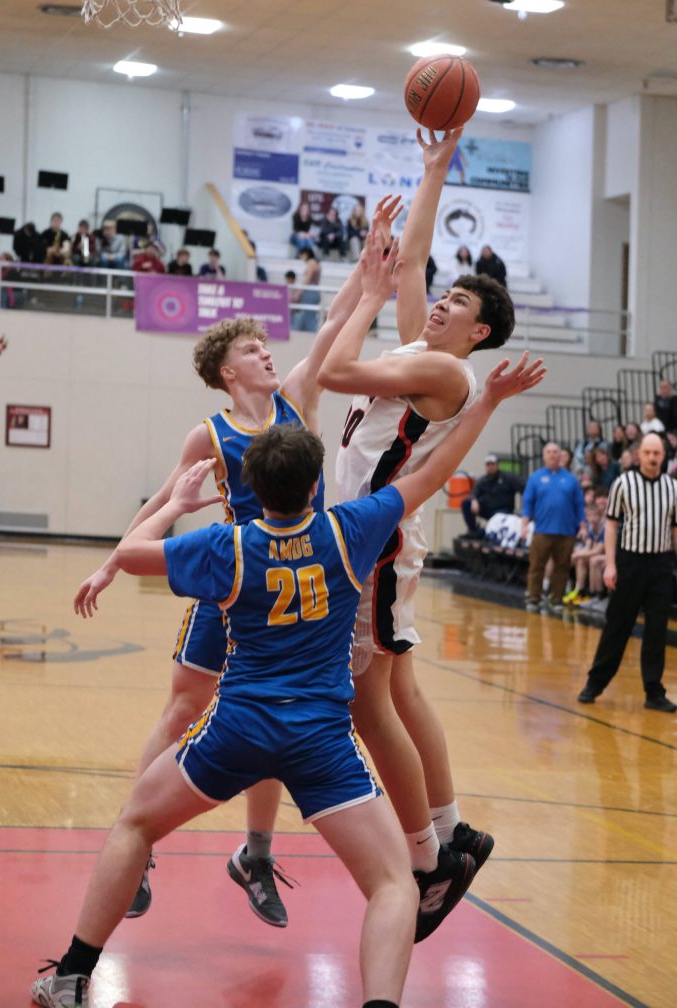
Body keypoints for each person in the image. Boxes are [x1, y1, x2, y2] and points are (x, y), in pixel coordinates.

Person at [30, 297, 544, 1008]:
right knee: (396, 884)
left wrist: (176, 504)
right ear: (315, 484)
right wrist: (484, 400)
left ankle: (73, 974)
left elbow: (129, 551)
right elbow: (432, 470)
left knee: (137, 821)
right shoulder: (351, 530)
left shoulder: (226, 546)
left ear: (246, 486)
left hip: (236, 730)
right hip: (321, 743)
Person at [72, 196, 402, 926]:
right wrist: (108, 566)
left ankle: (254, 852)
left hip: (307, 579)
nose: (267, 352)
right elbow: (165, 500)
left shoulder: (297, 398)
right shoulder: (209, 434)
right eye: (253, 348)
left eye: (265, 346)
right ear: (227, 369)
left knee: (280, 715)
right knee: (184, 707)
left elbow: (331, 329)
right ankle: (139, 843)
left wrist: (366, 270)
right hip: (236, 580)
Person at [319, 128, 545, 939]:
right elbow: (414, 261)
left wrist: (367, 297)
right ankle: (452, 833)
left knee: (366, 702)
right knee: (396, 693)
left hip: (374, 547)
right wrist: (435, 166)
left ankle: (428, 863)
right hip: (373, 540)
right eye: (444, 297)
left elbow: (337, 373)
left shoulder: (446, 371)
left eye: (460, 305)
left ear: (478, 333)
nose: (442, 300)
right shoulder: (430, 349)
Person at [578, 433, 677, 712]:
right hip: (630, 561)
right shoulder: (623, 483)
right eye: (647, 452)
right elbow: (610, 525)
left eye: (657, 453)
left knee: (657, 629)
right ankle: (595, 683)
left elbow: (675, 529)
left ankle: (654, 691)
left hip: (660, 564)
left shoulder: (673, 487)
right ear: (639, 455)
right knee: (617, 625)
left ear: (663, 456)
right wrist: (610, 564)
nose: (652, 458)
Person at [521, 442, 586, 614]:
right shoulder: (535, 478)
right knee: (536, 565)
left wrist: (583, 525)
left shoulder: (571, 479)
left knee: (562, 567)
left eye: (555, 452)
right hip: (542, 530)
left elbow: (579, 505)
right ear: (544, 456)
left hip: (566, 531)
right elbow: (527, 503)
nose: (552, 455)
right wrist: (524, 525)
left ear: (561, 455)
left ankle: (557, 599)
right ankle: (534, 597)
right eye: (549, 452)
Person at [461, 453, 523, 536]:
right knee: (466, 503)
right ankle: (474, 530)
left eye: (492, 464)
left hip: (503, 510)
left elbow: (525, 489)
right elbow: (474, 492)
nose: (490, 467)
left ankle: (492, 534)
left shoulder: (509, 477)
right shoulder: (482, 480)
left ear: (497, 465)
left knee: (498, 518)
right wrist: (474, 500)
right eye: (488, 464)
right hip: (487, 510)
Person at [290, 248, 321, 332]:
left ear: (306, 254)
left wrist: (298, 293)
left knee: (309, 317)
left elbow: (307, 280)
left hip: (310, 292)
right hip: (313, 291)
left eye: (302, 255)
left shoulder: (311, 263)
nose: (301, 257)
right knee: (308, 316)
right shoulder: (316, 263)